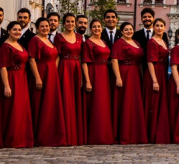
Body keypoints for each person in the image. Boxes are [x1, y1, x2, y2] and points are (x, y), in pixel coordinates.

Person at [28, 17, 67, 147]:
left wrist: (54, 71)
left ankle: (51, 133)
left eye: (47, 26)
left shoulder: (50, 40)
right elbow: (32, 59)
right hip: (42, 73)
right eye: (42, 26)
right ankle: (40, 135)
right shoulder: (35, 40)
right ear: (37, 28)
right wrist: (38, 77)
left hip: (52, 74)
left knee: (51, 104)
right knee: (40, 104)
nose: (45, 28)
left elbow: (56, 57)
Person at [0, 21, 34, 148]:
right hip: (12, 78)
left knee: (22, 109)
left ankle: (22, 137)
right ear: (8, 31)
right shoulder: (6, 47)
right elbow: (2, 67)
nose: (17, 32)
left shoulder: (18, 44)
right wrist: (7, 86)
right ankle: (12, 138)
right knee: (13, 109)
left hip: (22, 78)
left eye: (19, 30)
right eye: (14, 30)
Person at [111, 22, 148, 144]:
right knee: (126, 102)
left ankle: (135, 133)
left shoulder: (136, 43)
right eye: (126, 29)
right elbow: (114, 60)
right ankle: (125, 133)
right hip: (125, 73)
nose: (129, 31)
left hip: (136, 74)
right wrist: (118, 77)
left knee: (135, 103)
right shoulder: (119, 43)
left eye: (131, 29)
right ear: (121, 31)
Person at [54, 13, 85, 146]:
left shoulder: (79, 37)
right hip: (64, 68)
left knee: (75, 99)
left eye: (73, 22)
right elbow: (57, 56)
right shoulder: (59, 37)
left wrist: (82, 75)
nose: (70, 24)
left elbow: (80, 57)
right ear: (64, 23)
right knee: (66, 99)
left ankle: (75, 133)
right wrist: (55, 74)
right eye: (68, 21)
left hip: (76, 68)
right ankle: (65, 133)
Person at [81, 19, 114, 145]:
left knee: (104, 103)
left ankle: (104, 134)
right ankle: (96, 135)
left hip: (104, 73)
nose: (97, 28)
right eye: (94, 27)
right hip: (93, 72)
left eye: (99, 26)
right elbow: (84, 62)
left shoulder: (103, 41)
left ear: (102, 28)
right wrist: (88, 81)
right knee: (96, 103)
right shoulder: (88, 43)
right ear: (90, 29)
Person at [143, 18, 171, 144]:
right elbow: (150, 62)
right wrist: (154, 80)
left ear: (164, 28)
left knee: (161, 102)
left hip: (163, 72)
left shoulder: (164, 41)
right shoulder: (152, 42)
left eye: (161, 25)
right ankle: (153, 132)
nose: (159, 28)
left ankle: (161, 131)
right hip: (155, 73)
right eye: (157, 26)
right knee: (154, 102)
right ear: (153, 27)